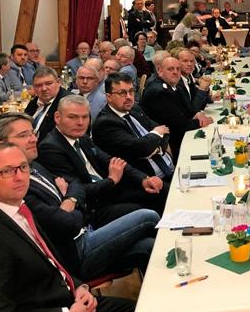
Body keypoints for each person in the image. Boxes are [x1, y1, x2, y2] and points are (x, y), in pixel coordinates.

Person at [0, 143, 135, 312]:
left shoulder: (20, 210)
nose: (19, 176)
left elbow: (53, 265)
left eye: (23, 167)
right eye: (7, 171)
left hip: (67, 301)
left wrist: (80, 287)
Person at [0, 114, 159, 281]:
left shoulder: (33, 165)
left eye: (32, 133)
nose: (33, 139)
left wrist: (69, 200)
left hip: (86, 231)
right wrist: (70, 200)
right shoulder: (15, 185)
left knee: (150, 246)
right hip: (74, 254)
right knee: (148, 216)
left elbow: (74, 184)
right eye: (23, 135)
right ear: (0, 145)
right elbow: (68, 225)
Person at [36, 94, 167, 221]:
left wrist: (143, 179)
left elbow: (111, 161)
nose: (80, 123)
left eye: (85, 117)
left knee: (161, 190)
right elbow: (76, 190)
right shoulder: (50, 148)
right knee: (145, 212)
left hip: (109, 191)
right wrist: (111, 180)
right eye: (73, 117)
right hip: (93, 207)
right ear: (57, 117)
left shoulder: (81, 137)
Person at [92, 72, 174, 181]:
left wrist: (156, 147)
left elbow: (164, 130)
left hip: (169, 169)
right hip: (147, 181)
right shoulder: (106, 123)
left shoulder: (134, 109)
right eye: (122, 93)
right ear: (109, 97)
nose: (129, 97)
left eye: (131, 91)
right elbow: (142, 148)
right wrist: (156, 135)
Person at [140, 56, 213, 158]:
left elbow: (184, 110)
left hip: (177, 136)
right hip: (168, 144)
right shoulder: (160, 91)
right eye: (170, 69)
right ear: (160, 71)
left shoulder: (171, 85)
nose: (175, 72)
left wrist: (196, 114)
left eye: (178, 69)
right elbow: (178, 126)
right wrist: (204, 121)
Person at [25, 67, 70, 139]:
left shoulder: (67, 103)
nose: (44, 89)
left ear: (58, 82)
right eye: (39, 85)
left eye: (48, 84)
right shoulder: (36, 101)